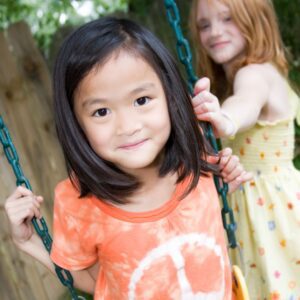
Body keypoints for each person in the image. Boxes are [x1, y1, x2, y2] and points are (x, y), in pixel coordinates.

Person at [4, 17, 252, 299]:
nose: (128, 126)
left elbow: (203, 229)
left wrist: (225, 186)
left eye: (142, 100)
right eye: (101, 112)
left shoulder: (196, 162)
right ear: (76, 124)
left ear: (170, 95)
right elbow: (97, 280)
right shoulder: (80, 203)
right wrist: (30, 243)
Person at [190, 0, 300, 298]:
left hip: (269, 212)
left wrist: (225, 119)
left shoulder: (252, 74)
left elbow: (245, 104)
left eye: (228, 19)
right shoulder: (267, 70)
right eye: (204, 25)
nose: (215, 32)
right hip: (273, 204)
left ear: (255, 19)